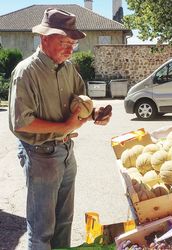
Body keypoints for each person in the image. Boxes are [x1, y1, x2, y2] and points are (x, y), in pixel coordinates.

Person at [8, 8, 111, 250]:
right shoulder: (26, 72)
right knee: (42, 231)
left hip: (66, 152)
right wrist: (65, 126)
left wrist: (96, 114)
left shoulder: (68, 69)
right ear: (44, 38)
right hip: (39, 155)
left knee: (64, 223)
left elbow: (81, 100)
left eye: (72, 43)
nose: (69, 48)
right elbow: (20, 122)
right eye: (63, 41)